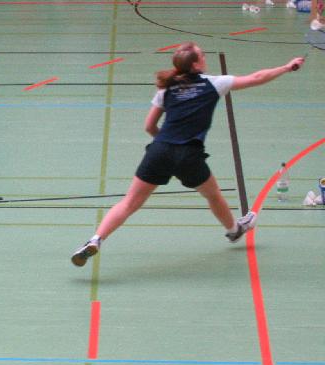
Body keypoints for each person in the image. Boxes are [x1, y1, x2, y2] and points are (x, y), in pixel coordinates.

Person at [71, 43, 306, 267]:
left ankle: (95, 239)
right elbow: (256, 78)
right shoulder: (214, 83)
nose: (205, 57)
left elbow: (149, 126)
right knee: (213, 195)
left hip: (159, 150)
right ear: (195, 65)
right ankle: (234, 230)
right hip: (189, 155)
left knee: (129, 202)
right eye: (201, 55)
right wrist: (286, 67)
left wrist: (166, 146)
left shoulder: (166, 88)